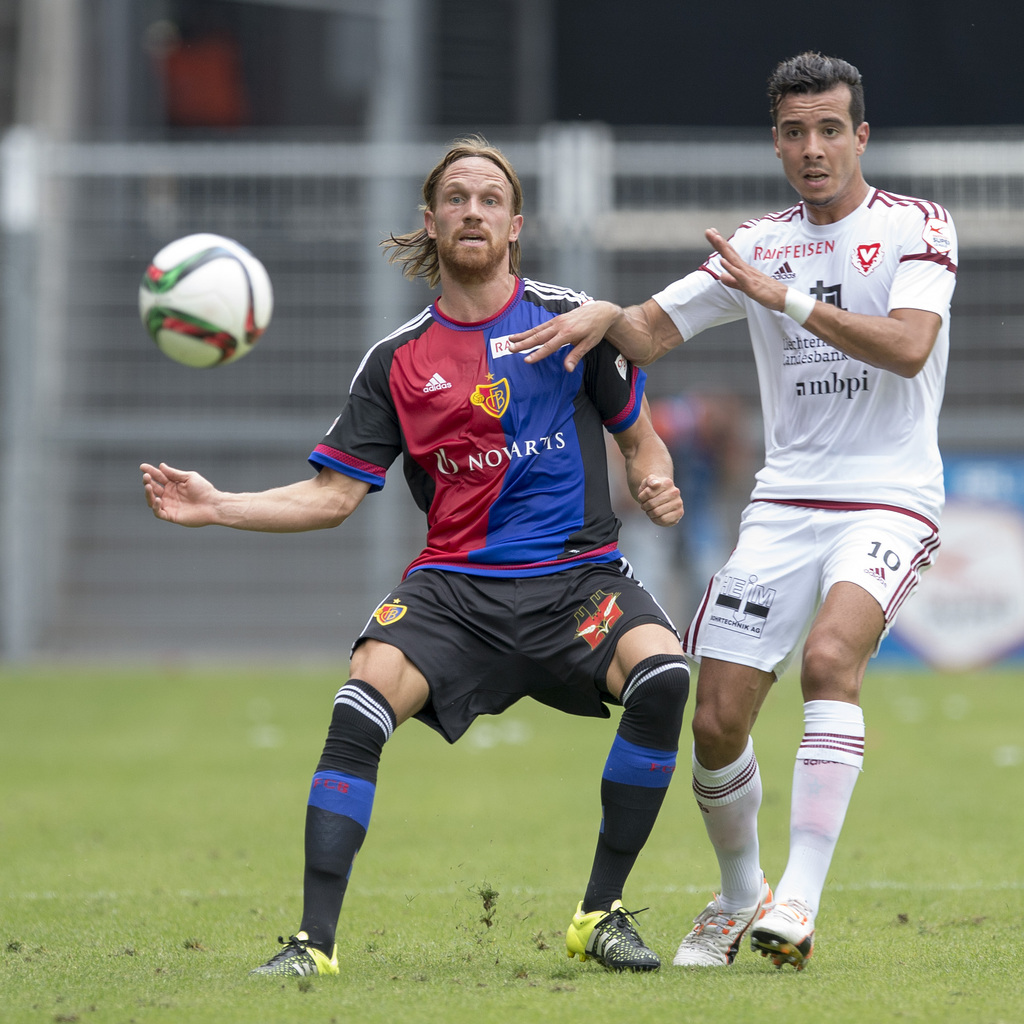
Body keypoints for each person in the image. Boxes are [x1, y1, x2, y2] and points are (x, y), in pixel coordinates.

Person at [141, 136, 691, 977]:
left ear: (515, 226)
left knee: (664, 679)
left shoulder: (574, 323)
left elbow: (643, 443)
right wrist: (218, 506)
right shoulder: (396, 361)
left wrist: (654, 481)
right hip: (455, 591)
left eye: (491, 199)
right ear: (430, 223)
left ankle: (600, 914)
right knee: (358, 707)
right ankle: (312, 947)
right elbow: (330, 498)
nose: (474, 210)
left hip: (577, 582)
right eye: (457, 198)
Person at [509, 52, 957, 971]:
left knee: (832, 659)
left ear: (860, 136)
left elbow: (910, 348)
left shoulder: (916, 227)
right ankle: (739, 889)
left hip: (889, 498)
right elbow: (646, 332)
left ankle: (799, 897)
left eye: (831, 129)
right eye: (795, 132)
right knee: (714, 719)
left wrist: (781, 297)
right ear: (777, 141)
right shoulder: (758, 243)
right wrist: (592, 310)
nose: (813, 148)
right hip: (784, 505)